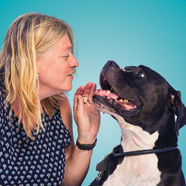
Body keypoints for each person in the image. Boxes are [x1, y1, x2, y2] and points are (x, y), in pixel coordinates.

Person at [0, 13, 100, 186]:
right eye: (66, 55)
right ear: (32, 60)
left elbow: (66, 182)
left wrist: (87, 137)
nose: (75, 62)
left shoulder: (58, 103)